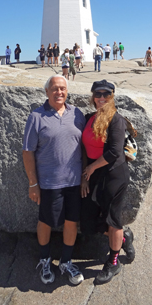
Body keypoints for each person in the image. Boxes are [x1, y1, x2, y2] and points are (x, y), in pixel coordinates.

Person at [22, 76, 86, 285]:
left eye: (63, 88)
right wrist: (33, 183)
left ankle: (66, 262)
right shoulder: (36, 117)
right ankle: (44, 259)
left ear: (67, 91)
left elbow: (84, 148)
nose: (59, 92)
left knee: (71, 222)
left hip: (75, 182)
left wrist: (85, 176)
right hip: (49, 182)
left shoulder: (77, 114)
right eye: (55, 89)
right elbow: (28, 152)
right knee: (46, 221)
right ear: (47, 92)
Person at [81, 79, 134, 285]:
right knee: (87, 218)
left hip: (113, 174)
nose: (101, 98)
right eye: (98, 94)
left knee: (113, 218)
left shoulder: (116, 119)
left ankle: (113, 261)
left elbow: (113, 152)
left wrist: (91, 168)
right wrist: (85, 176)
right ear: (92, 97)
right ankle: (123, 237)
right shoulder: (89, 118)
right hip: (93, 173)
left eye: (106, 94)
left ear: (112, 97)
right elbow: (83, 149)